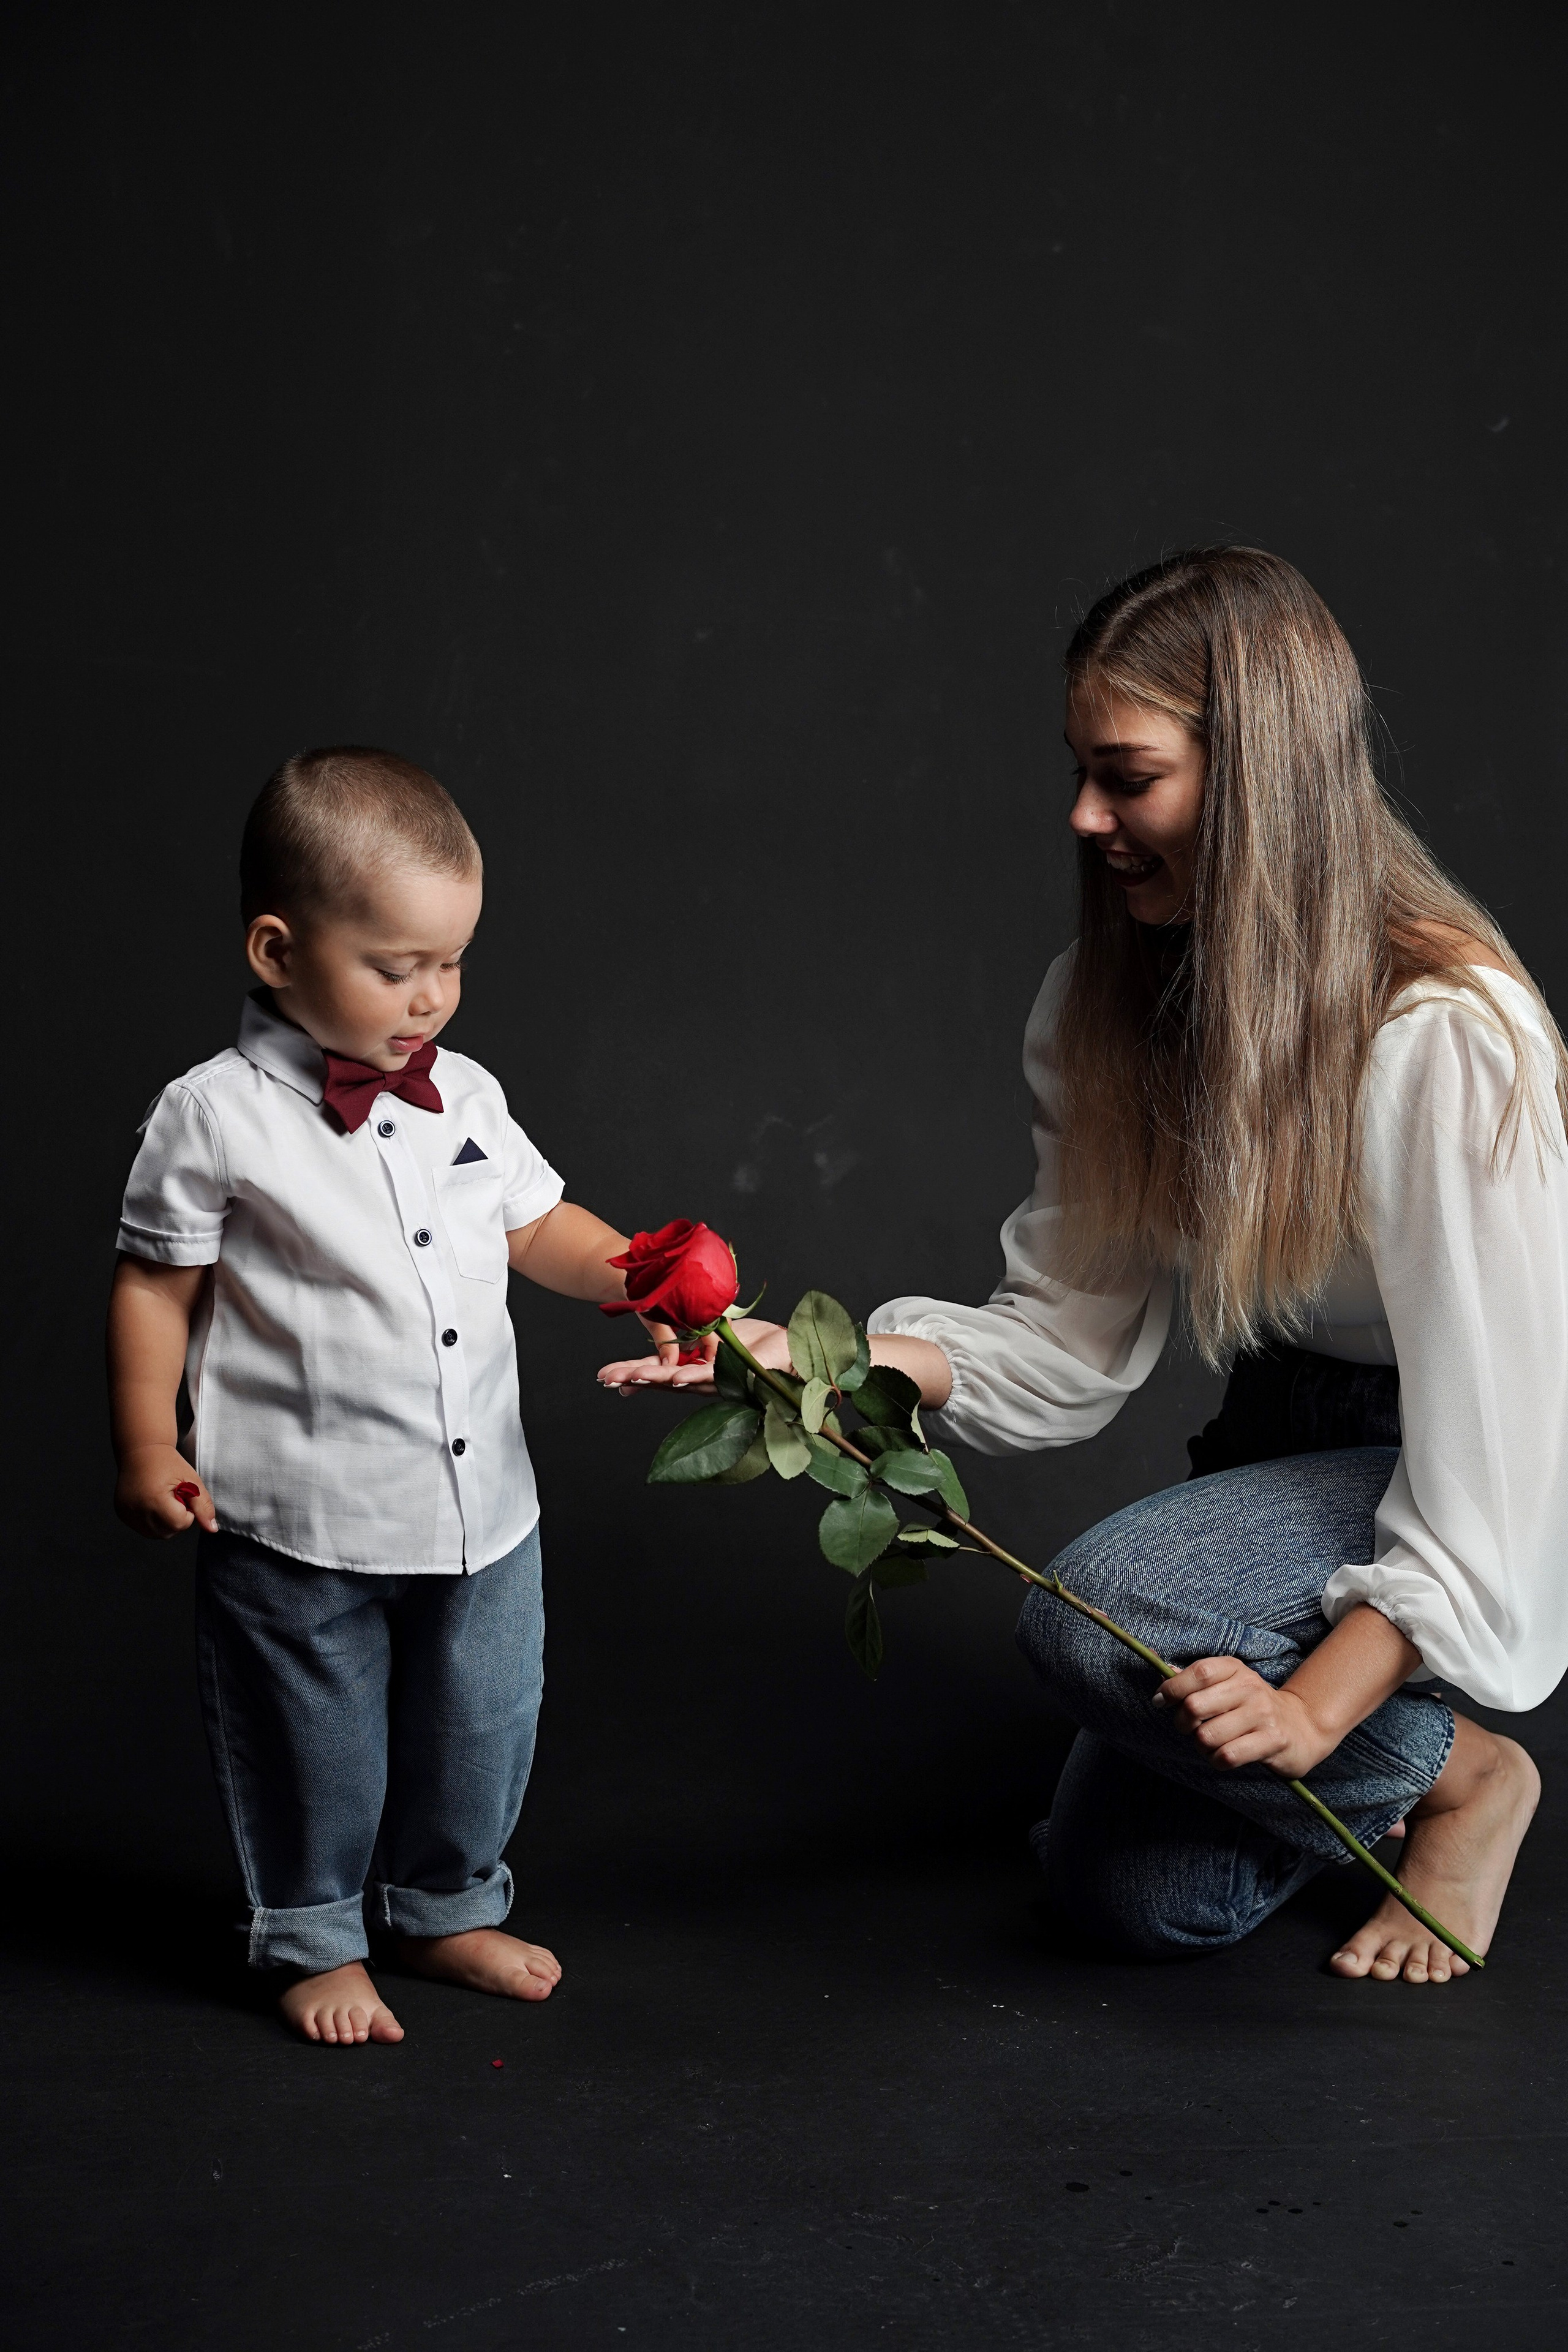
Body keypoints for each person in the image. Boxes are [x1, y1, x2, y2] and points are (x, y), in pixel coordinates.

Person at [602, 547, 1567, 1985]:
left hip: (1464, 1437)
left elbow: (1499, 1439)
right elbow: (1062, 1336)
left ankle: (1458, 1775)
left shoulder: (1438, 1031)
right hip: (1282, 1430)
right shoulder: (1111, 997)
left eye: (1127, 777)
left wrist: (1320, 1712)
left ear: (1259, 774)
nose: (1083, 816)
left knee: (1091, 1609)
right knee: (1133, 1900)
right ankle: (1390, 1749)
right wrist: (821, 1365)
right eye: (1079, 771)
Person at [109, 747, 682, 2045]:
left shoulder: (462, 1092)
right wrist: (150, 1440)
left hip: (482, 1504)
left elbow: (538, 1226)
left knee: (482, 1719)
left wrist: (636, 1272)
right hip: (297, 1508)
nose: (429, 998)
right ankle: (310, 1934)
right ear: (276, 948)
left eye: (450, 964)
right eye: (393, 967)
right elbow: (155, 1288)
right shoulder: (213, 1117)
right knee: (313, 1737)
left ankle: (444, 1905)